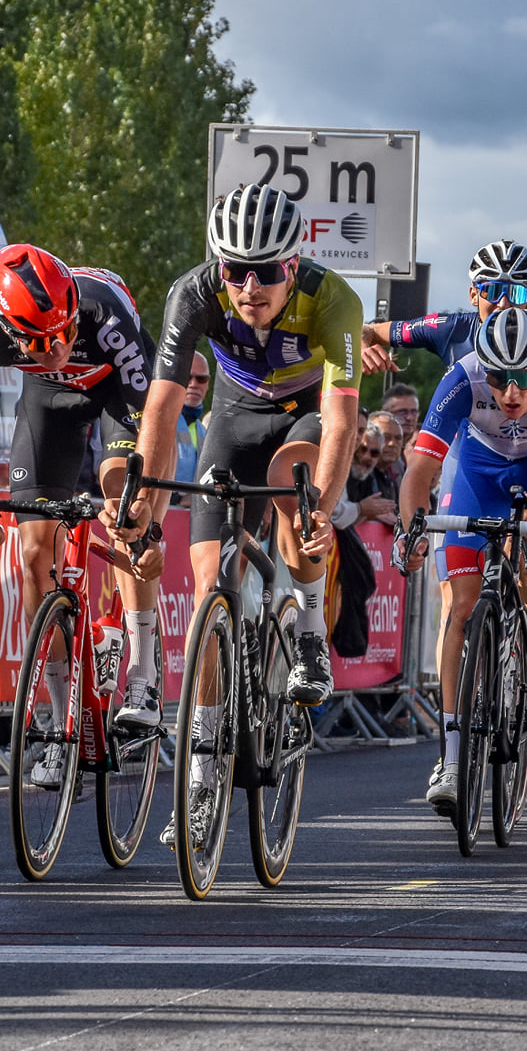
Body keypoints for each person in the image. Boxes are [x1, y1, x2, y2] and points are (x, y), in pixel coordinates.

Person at [112, 183, 364, 847]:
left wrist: (325, 504)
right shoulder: (193, 293)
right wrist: (142, 504)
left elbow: (341, 422)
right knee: (205, 592)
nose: (250, 286)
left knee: (295, 482)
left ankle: (308, 627)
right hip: (233, 419)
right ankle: (198, 784)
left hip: (305, 417)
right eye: (236, 271)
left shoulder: (334, 298)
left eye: (267, 271)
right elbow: (161, 412)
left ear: (294, 264)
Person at [0, 247, 165, 744]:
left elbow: (157, 433)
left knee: (120, 502)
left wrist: (146, 520)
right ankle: (55, 712)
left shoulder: (105, 317)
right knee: (32, 552)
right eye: (38, 342)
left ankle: (143, 673)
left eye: (65, 332)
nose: (56, 350)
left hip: (116, 394)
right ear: (8, 329)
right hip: (48, 405)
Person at [394, 307, 527, 816]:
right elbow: (420, 470)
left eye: (523, 380)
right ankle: (453, 758)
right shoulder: (462, 376)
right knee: (460, 610)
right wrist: (410, 530)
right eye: (500, 378)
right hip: (478, 472)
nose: (510, 393)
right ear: (484, 367)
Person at [362, 240, 527, 374]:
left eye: (516, 293)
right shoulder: (451, 328)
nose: (503, 303)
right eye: (492, 291)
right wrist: (362, 349)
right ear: (473, 295)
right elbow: (368, 330)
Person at [174, 352, 210, 493]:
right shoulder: (158, 422)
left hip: (193, 513)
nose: (194, 384)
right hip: (161, 510)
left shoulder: (203, 430)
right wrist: (177, 499)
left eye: (201, 379)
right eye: (187, 377)